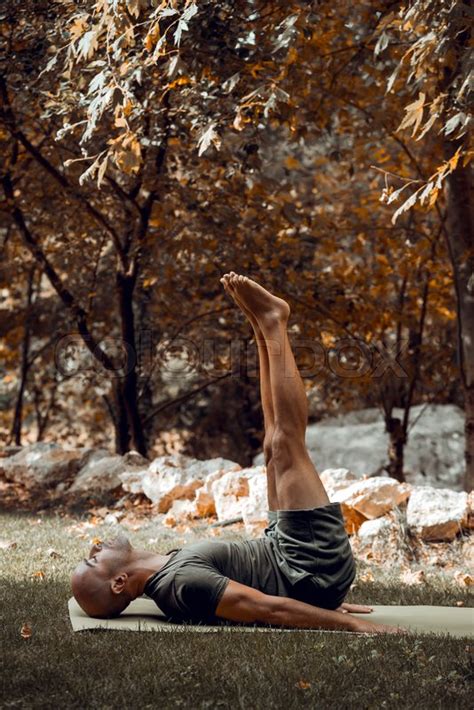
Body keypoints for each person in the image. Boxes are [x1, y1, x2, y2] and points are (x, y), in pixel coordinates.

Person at [71, 273, 405, 634]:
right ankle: (273, 322)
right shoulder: (181, 584)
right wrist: (350, 623)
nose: (95, 547)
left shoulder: (163, 576)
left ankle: (262, 327)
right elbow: (264, 609)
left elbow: (255, 590)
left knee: (272, 445)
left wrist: (323, 600)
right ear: (119, 583)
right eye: (93, 560)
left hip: (293, 561)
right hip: (308, 564)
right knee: (287, 443)